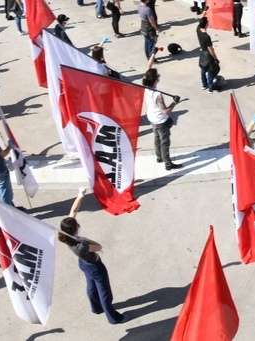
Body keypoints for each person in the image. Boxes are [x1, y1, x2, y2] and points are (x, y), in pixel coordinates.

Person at [59, 188, 129, 324]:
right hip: (95, 266)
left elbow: (73, 211)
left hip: (84, 265)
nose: (79, 225)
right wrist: (86, 239)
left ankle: (96, 308)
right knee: (105, 293)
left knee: (91, 287)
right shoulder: (81, 246)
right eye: (77, 226)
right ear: (74, 230)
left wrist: (80, 195)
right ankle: (114, 317)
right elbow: (98, 247)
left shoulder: (68, 237)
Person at [142, 62, 181, 171]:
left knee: (157, 138)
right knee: (165, 142)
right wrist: (174, 103)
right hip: (161, 120)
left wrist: (153, 54)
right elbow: (166, 112)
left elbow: (148, 68)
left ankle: (159, 157)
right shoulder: (158, 95)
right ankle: (168, 164)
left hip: (152, 118)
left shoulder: (145, 87)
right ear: (155, 80)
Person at [197, 17, 222, 92]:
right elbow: (210, 48)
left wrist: (204, 11)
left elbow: (201, 21)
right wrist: (215, 58)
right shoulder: (207, 37)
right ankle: (211, 87)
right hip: (208, 55)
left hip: (202, 53)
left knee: (203, 69)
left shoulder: (198, 30)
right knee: (211, 71)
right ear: (206, 25)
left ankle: (204, 84)